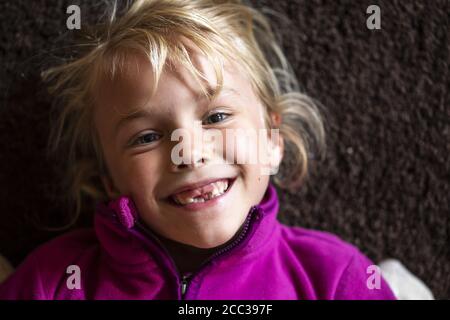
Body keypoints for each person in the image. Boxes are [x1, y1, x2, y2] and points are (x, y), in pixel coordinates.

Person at [0, 0, 396, 299]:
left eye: (217, 116)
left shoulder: (334, 278)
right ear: (109, 181)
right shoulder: (55, 280)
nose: (187, 152)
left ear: (273, 141)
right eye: (146, 138)